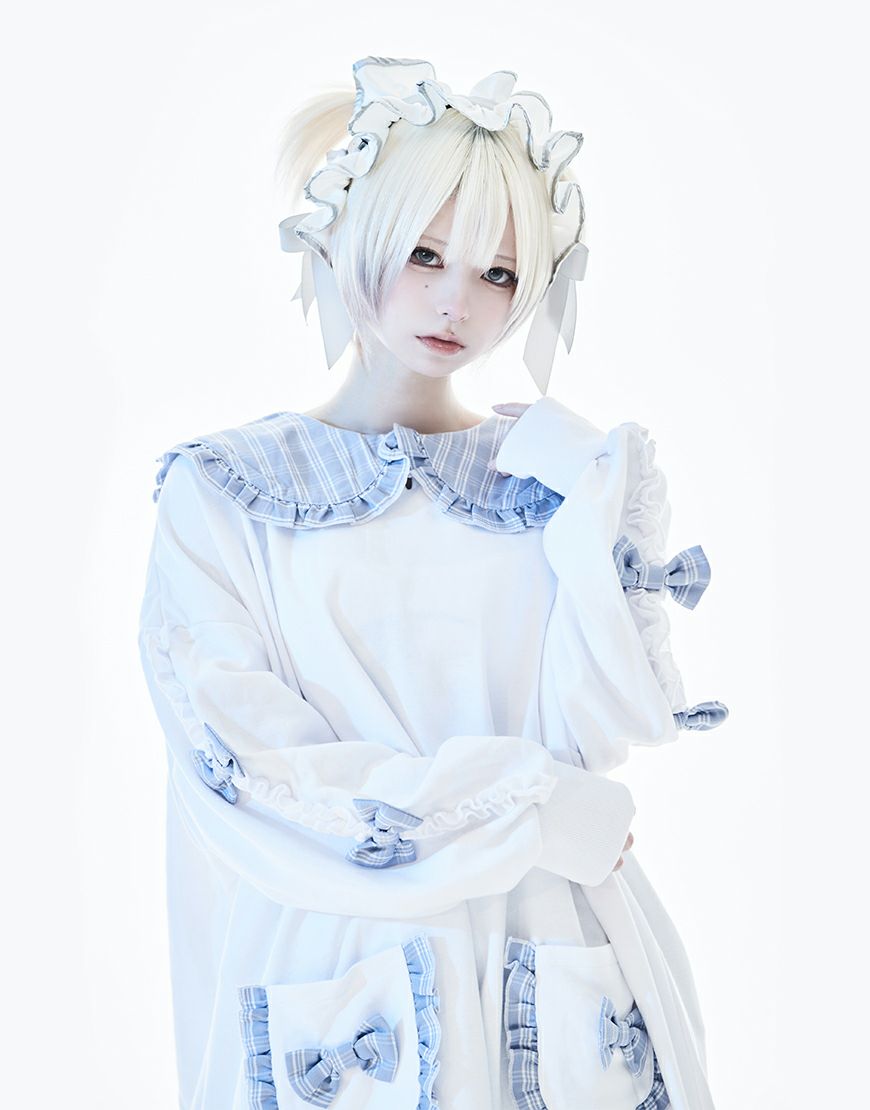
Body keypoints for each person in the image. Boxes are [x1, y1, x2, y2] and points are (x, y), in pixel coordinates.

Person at [137, 55, 729, 1110]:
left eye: (500, 273)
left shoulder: (550, 483)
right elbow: (253, 771)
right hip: (347, 962)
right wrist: (533, 808)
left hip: (558, 960)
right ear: (346, 237)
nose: (457, 301)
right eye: (424, 253)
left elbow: (607, 726)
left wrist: (595, 504)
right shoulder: (225, 494)